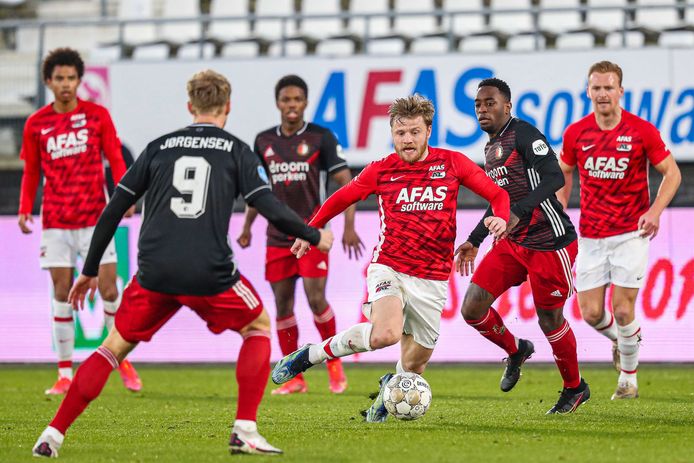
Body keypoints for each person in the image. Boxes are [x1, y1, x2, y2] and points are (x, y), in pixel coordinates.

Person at [32, 69, 334, 458]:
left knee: (112, 347)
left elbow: (113, 210)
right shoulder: (237, 149)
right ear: (227, 106)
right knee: (258, 326)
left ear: (190, 106)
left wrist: (89, 269)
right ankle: (245, 429)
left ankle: (53, 434)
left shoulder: (159, 147)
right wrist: (313, 235)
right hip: (209, 271)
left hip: (155, 270)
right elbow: (269, 206)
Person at [271, 94, 510, 422]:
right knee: (386, 333)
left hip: (433, 278)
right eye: (400, 133)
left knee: (414, 366)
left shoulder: (452, 163)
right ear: (392, 134)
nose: (407, 140)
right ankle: (310, 355)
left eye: (414, 132)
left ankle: (389, 388)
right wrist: (311, 231)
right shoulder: (381, 170)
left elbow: (498, 193)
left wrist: (500, 215)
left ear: (428, 131)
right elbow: (341, 198)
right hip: (390, 266)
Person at [456, 78, 589, 415]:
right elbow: (499, 200)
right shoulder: (490, 147)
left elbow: (555, 178)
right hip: (512, 242)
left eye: (490, 103)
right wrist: (474, 239)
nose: (483, 110)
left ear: (507, 105)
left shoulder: (525, 134)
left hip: (549, 241)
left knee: (549, 318)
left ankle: (575, 388)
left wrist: (517, 212)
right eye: (478, 105)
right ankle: (516, 350)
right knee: (472, 307)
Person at [17, 47, 141, 395]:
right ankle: (64, 373)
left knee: (109, 289)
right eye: (60, 78)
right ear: (48, 82)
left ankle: (122, 360)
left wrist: (124, 196)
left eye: (71, 78)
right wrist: (26, 206)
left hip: (95, 220)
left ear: (79, 80)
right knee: (60, 293)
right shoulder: (36, 123)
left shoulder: (97, 115)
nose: (66, 84)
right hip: (56, 221)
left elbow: (115, 158)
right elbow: (31, 172)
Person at [557, 61, 681, 400]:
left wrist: (655, 211)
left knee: (625, 309)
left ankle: (628, 380)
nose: (602, 94)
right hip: (591, 235)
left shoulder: (641, 130)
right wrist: (559, 211)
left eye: (608, 88)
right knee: (591, 313)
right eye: (596, 88)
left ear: (620, 92)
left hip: (631, 233)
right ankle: (620, 338)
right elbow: (564, 172)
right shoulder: (576, 133)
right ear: (588, 92)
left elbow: (672, 174)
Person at [237, 75, 363, 395]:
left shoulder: (321, 137)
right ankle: (294, 377)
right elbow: (258, 189)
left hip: (312, 234)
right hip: (277, 236)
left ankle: (334, 365)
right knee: (282, 306)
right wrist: (248, 226)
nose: (291, 105)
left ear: (305, 103)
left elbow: (346, 184)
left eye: (297, 100)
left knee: (315, 297)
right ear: (278, 103)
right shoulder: (264, 141)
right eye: (286, 100)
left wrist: (348, 226)